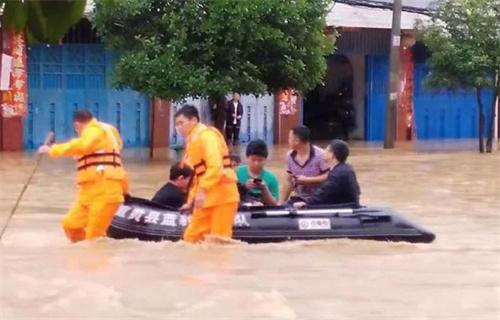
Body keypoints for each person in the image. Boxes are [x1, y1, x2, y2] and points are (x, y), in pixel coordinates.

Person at [38, 110, 129, 242]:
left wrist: (53, 149)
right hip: (89, 191)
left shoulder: (94, 129)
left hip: (105, 190)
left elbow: (83, 145)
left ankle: (96, 260)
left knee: (94, 236)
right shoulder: (107, 131)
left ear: (77, 125)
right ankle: (82, 258)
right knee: (70, 225)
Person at [175, 105, 240, 243]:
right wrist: (190, 201)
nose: (178, 128)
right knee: (191, 238)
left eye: (181, 123)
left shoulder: (207, 136)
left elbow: (215, 166)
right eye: (176, 124)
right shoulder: (193, 142)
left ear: (193, 120)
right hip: (207, 197)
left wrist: (203, 191)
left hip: (223, 195)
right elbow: (198, 177)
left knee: (218, 241)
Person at [293, 139, 361, 208]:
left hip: (344, 209)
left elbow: (323, 193)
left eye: (327, 150)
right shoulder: (347, 169)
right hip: (347, 206)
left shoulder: (338, 174)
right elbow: (357, 192)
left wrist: (306, 203)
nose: (323, 152)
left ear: (333, 155)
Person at [280, 126, 330, 204]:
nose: (288, 140)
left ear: (297, 141)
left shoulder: (321, 155)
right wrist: (281, 202)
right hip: (298, 198)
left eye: (290, 138)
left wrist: (308, 180)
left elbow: (328, 176)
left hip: (319, 198)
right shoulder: (289, 156)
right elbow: (288, 181)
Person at [236, 140, 279, 206]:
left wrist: (264, 189)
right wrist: (244, 187)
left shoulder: (271, 178)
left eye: (260, 160)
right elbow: (230, 196)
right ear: (247, 158)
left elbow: (274, 204)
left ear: (265, 159)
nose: (256, 163)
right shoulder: (237, 172)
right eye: (253, 160)